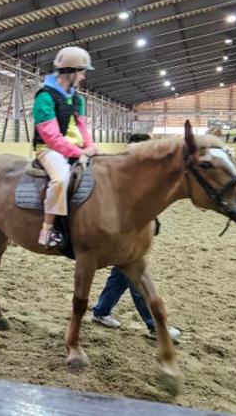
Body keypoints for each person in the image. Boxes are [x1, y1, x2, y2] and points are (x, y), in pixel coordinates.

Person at [91, 133, 182, 341]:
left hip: (134, 235)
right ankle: (154, 326)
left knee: (121, 275)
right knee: (136, 277)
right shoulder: (118, 173)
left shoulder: (149, 176)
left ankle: (102, 310)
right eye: (133, 150)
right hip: (121, 235)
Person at [32, 46, 99, 248]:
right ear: (70, 72)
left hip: (75, 150)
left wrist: (91, 147)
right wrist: (79, 152)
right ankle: (47, 230)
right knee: (60, 180)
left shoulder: (77, 99)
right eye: (82, 71)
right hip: (49, 150)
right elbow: (51, 136)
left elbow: (82, 128)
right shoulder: (44, 97)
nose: (84, 76)